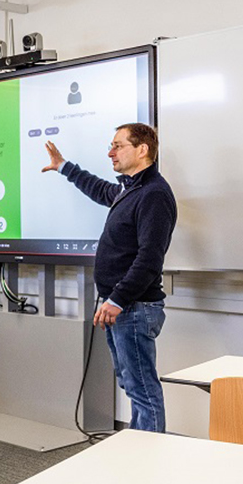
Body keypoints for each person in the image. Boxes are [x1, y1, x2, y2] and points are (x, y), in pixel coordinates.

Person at [42, 123, 177, 432]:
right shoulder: (133, 189)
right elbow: (101, 189)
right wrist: (64, 167)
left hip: (134, 307)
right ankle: (140, 452)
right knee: (133, 386)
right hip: (123, 307)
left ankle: (151, 461)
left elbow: (150, 258)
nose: (110, 152)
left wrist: (117, 299)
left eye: (118, 145)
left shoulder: (154, 194)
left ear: (142, 150)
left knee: (143, 391)